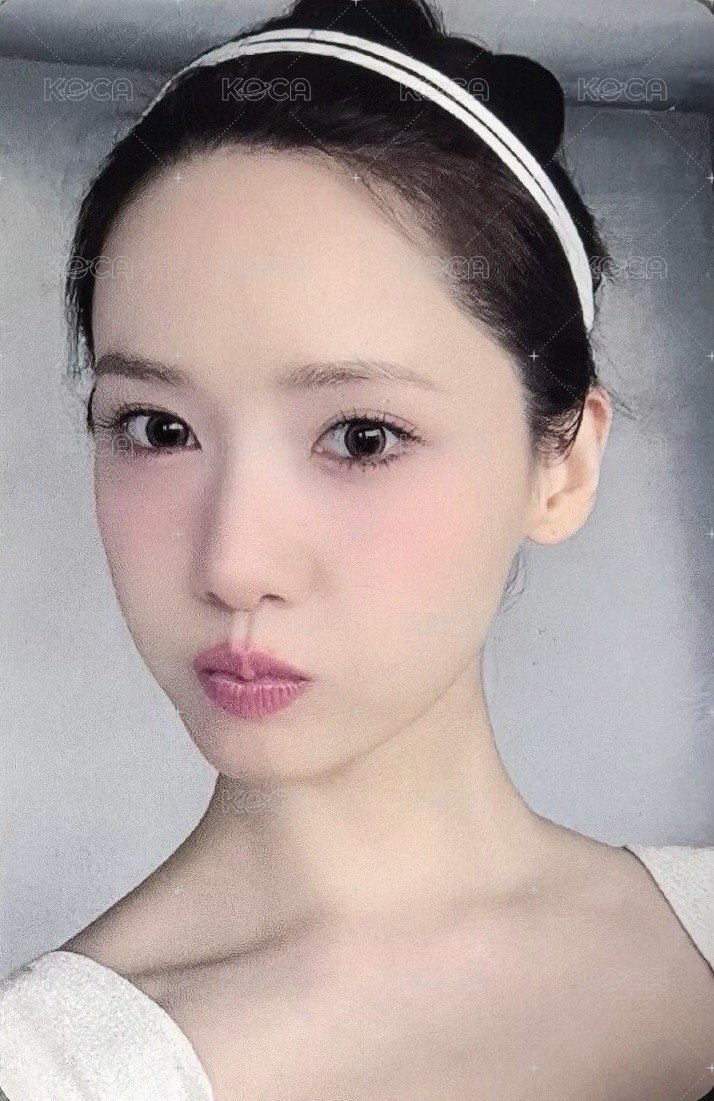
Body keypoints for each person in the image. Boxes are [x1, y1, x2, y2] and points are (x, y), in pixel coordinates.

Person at [1, 1, 712, 1099]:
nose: (232, 564)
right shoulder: (56, 1071)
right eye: (157, 428)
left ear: (563, 463)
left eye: (362, 437)